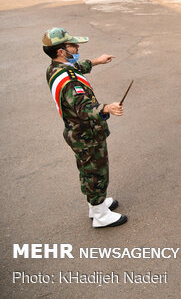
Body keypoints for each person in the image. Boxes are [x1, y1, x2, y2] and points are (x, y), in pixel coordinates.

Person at [43, 28, 127, 228]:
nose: (77, 47)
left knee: (88, 170)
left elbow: (77, 66)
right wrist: (107, 107)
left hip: (78, 132)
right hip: (86, 134)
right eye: (72, 45)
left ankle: (95, 204)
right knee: (96, 172)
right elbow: (83, 108)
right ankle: (100, 215)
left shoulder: (56, 68)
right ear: (62, 51)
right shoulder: (69, 82)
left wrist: (97, 61)